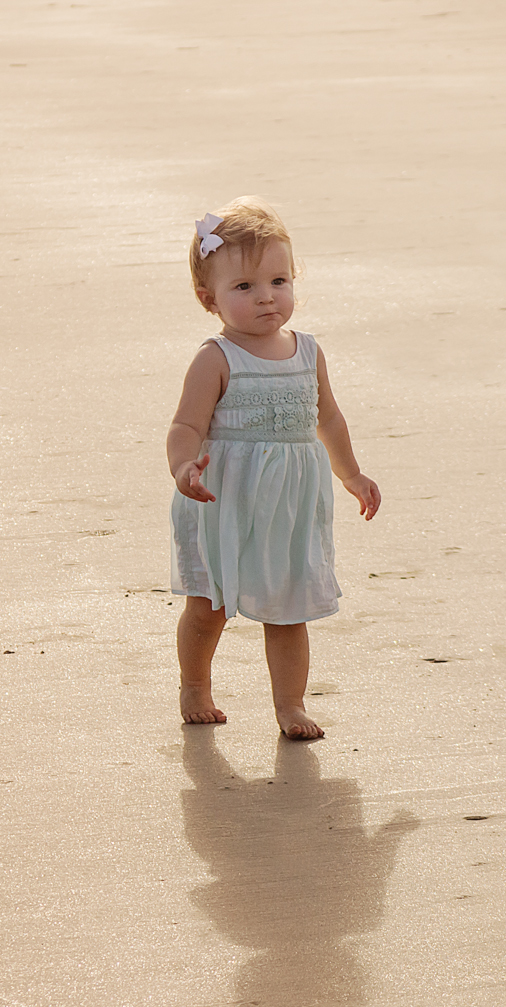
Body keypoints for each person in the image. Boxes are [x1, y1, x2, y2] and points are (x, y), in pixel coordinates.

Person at [166, 197, 381, 737]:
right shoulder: (215, 358)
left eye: (278, 281)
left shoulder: (308, 352)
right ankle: (195, 686)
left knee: (289, 609)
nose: (266, 297)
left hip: (289, 501)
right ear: (207, 297)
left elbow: (327, 418)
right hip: (224, 498)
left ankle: (290, 705)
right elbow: (186, 427)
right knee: (209, 602)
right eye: (244, 287)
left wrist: (350, 474)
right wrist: (183, 467)